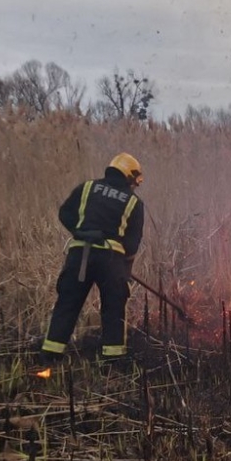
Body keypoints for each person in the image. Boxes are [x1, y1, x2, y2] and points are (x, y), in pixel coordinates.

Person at [39, 152, 145, 363]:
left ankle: (50, 356)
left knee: (67, 303)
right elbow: (132, 243)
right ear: (128, 175)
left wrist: (81, 232)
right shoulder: (134, 202)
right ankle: (113, 361)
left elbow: (65, 213)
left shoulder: (86, 187)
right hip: (110, 261)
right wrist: (125, 269)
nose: (134, 185)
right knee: (114, 307)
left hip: (79, 256)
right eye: (134, 181)